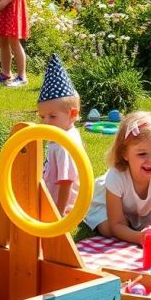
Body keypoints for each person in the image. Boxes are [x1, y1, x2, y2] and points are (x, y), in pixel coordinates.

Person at [84, 111, 151, 247]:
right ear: (125, 154)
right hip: (106, 205)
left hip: (135, 210)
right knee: (108, 229)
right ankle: (129, 225)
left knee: (150, 226)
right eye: (142, 154)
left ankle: (132, 223)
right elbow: (116, 224)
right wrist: (138, 237)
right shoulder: (116, 177)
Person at [38, 54, 84, 216]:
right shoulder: (63, 134)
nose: (46, 122)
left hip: (63, 207)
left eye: (52, 116)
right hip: (54, 202)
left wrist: (59, 212)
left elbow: (66, 182)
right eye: (42, 117)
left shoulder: (64, 145)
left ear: (73, 114)